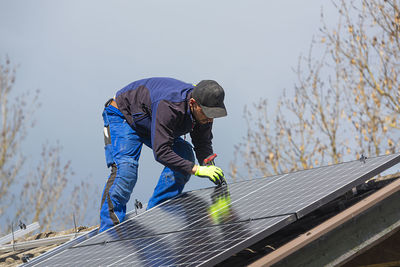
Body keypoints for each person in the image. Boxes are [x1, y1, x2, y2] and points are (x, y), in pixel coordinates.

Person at [99, 77, 227, 232]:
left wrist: (209, 167)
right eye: (207, 113)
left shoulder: (205, 110)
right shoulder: (170, 105)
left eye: (214, 114)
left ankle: (157, 211)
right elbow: (161, 152)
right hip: (124, 115)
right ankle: (109, 231)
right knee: (126, 170)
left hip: (150, 119)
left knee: (185, 153)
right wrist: (197, 170)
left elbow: (202, 144)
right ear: (193, 103)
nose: (210, 118)